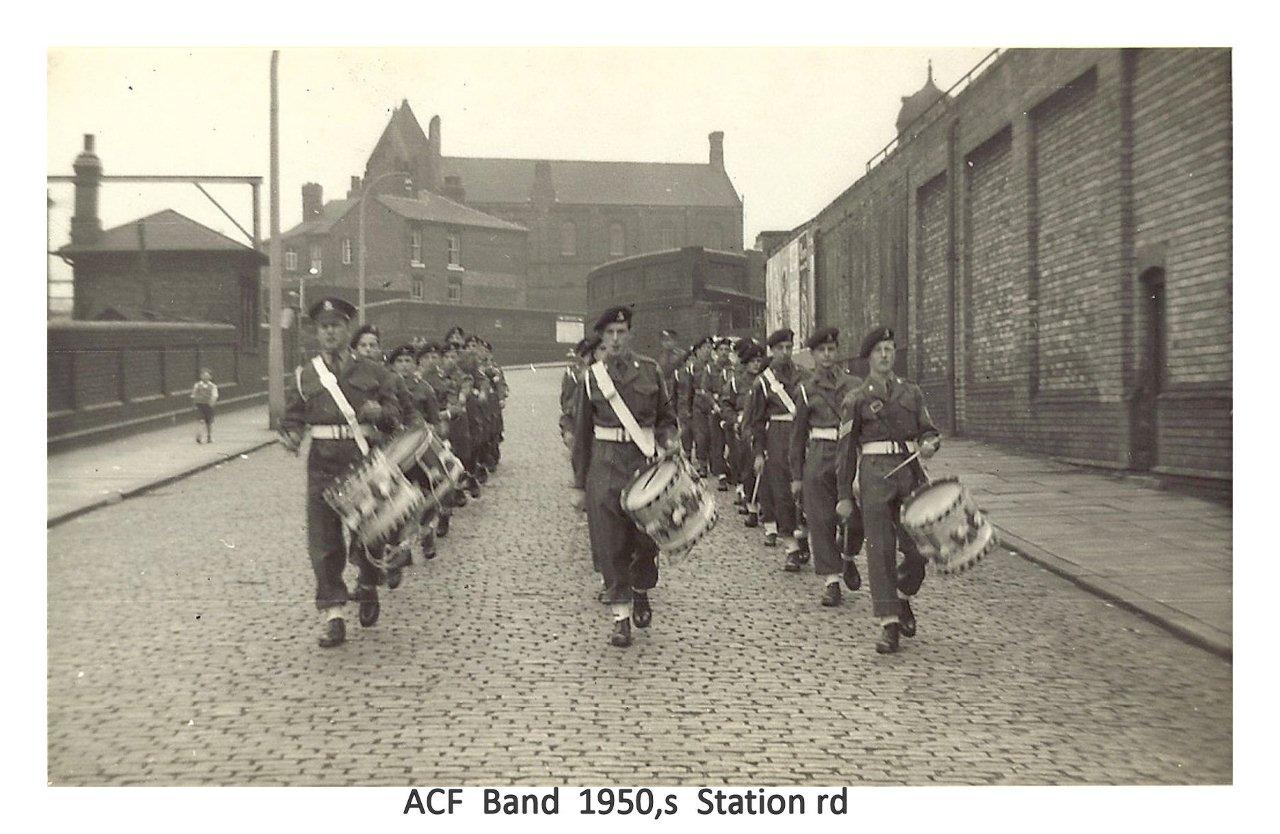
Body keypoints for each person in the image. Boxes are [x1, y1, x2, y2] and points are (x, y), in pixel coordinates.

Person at [278, 298, 403, 648]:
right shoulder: (305, 375)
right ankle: (333, 614)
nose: (329, 332)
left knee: (371, 532)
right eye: (323, 327)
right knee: (323, 541)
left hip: (361, 460)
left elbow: (396, 411)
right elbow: (293, 417)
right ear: (316, 333)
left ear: (347, 330)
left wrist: (381, 412)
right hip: (322, 464)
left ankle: (368, 581)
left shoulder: (374, 372)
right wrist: (290, 435)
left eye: (335, 326)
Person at [571, 305, 679, 648]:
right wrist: (579, 484)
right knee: (610, 542)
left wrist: (670, 440)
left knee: (645, 540)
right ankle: (620, 617)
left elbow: (666, 419)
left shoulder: (650, 371)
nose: (616, 339)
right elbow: (581, 434)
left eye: (621, 332)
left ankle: (641, 588)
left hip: (642, 463)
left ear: (629, 334)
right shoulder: (592, 378)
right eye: (609, 334)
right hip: (605, 466)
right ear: (602, 337)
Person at [836, 326, 941, 655]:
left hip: (909, 476)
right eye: (879, 350)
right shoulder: (856, 399)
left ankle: (902, 595)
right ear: (869, 357)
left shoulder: (912, 392)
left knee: (920, 548)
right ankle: (889, 623)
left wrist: (929, 443)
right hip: (874, 477)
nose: (885, 355)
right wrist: (843, 495)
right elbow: (845, 450)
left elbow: (928, 430)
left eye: (890, 349)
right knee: (880, 550)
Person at [789, 328, 864, 607]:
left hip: (850, 453)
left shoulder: (854, 385)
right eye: (821, 351)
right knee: (821, 520)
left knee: (857, 517)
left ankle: (848, 557)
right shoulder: (806, 390)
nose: (827, 355)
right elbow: (797, 437)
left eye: (831, 350)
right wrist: (796, 476)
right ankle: (831, 581)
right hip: (819, 457)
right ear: (813, 355)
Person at [747, 328, 809, 568]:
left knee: (805, 488)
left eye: (789, 347)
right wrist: (759, 453)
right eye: (780, 348)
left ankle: (803, 534)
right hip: (777, 438)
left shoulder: (804, 374)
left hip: (802, 435)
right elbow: (756, 421)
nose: (785, 352)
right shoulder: (763, 382)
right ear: (772, 350)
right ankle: (791, 547)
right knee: (782, 493)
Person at [191, 367, 218, 444]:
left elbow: (215, 395)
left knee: (209, 422)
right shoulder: (197, 385)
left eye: (207, 376)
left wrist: (212, 402)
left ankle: (209, 436)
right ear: (200, 376)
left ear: (210, 377)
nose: (205, 377)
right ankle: (199, 435)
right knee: (201, 420)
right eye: (203, 375)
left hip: (208, 405)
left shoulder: (213, 386)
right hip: (200, 405)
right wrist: (194, 402)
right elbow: (194, 394)